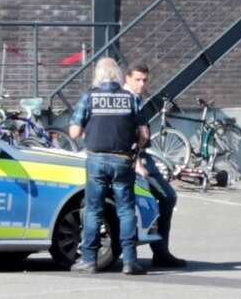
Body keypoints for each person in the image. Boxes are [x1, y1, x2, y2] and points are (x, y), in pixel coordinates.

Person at [69, 57, 149, 276]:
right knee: (126, 209)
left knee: (94, 209)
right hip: (123, 159)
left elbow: (74, 132)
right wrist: (135, 150)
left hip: (96, 159)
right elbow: (144, 135)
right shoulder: (130, 99)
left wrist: (89, 130)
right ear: (119, 76)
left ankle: (89, 260)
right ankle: (130, 261)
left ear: (98, 75)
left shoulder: (89, 97)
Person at [124, 64, 187, 268]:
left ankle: (159, 250)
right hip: (135, 158)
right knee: (165, 197)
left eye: (145, 80)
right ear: (127, 78)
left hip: (142, 156)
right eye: (138, 80)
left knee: (162, 198)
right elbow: (128, 133)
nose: (142, 84)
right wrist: (137, 161)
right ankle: (155, 252)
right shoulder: (127, 99)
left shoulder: (135, 98)